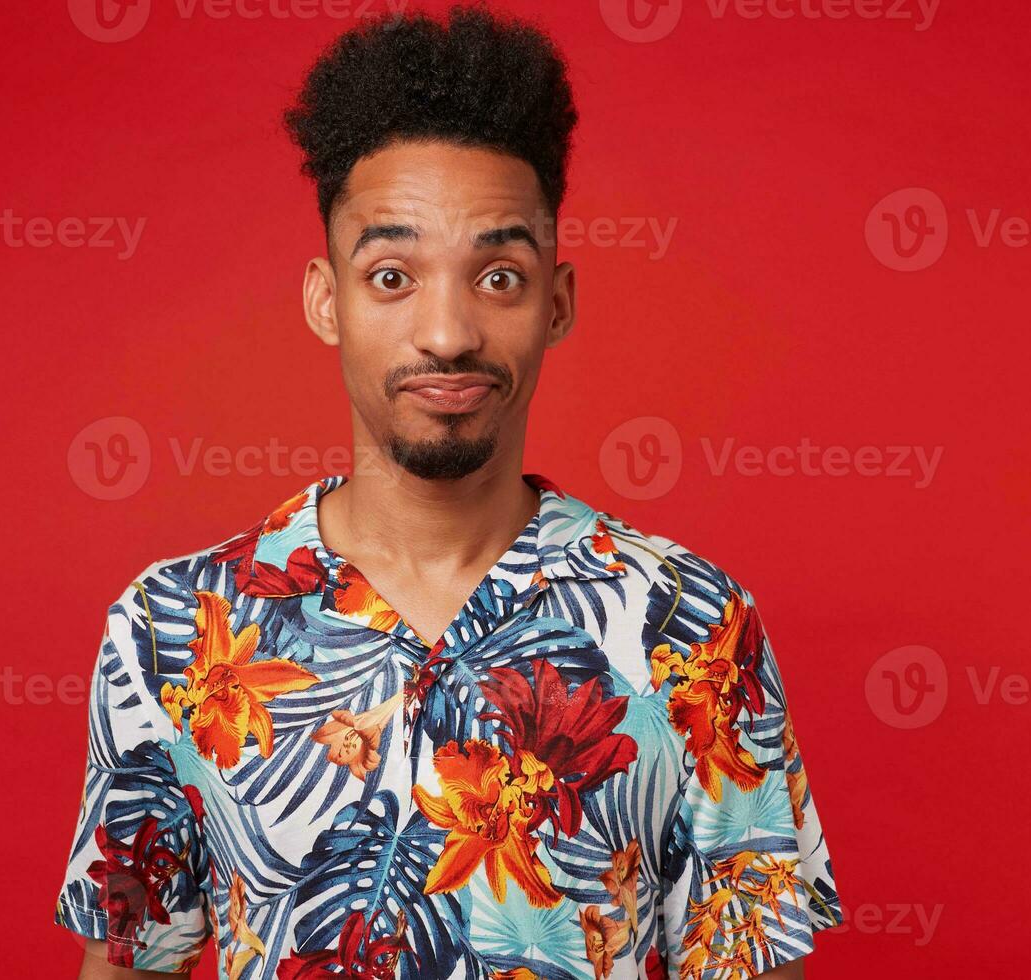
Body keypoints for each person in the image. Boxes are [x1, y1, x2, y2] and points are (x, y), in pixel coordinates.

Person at [54, 6, 841, 978]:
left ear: (556, 302)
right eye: (392, 274)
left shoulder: (693, 626)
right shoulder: (174, 629)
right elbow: (132, 962)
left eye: (498, 276)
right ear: (325, 297)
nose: (447, 331)